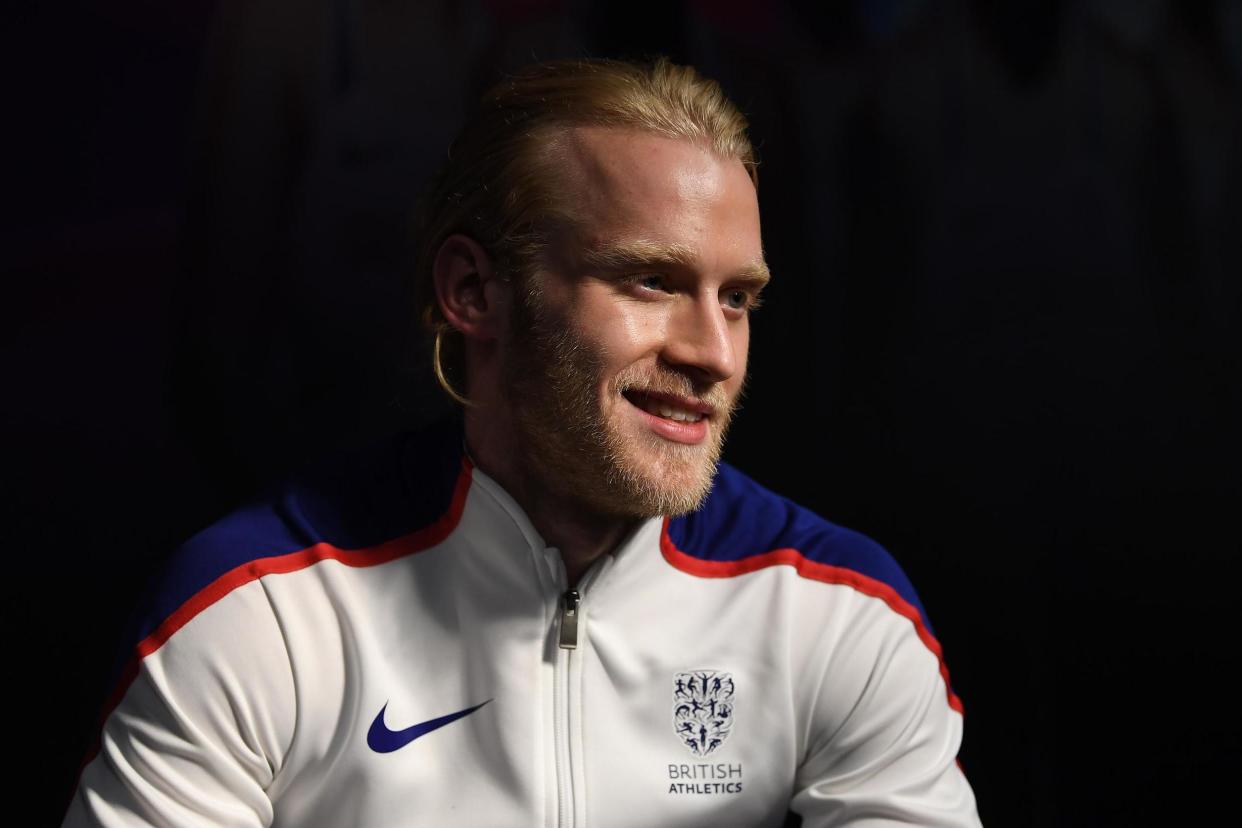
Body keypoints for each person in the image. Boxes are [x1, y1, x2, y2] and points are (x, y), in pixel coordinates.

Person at [64, 58, 980, 827]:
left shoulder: (841, 612)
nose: (711, 353)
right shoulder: (260, 612)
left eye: (736, 298)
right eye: (651, 281)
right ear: (474, 292)